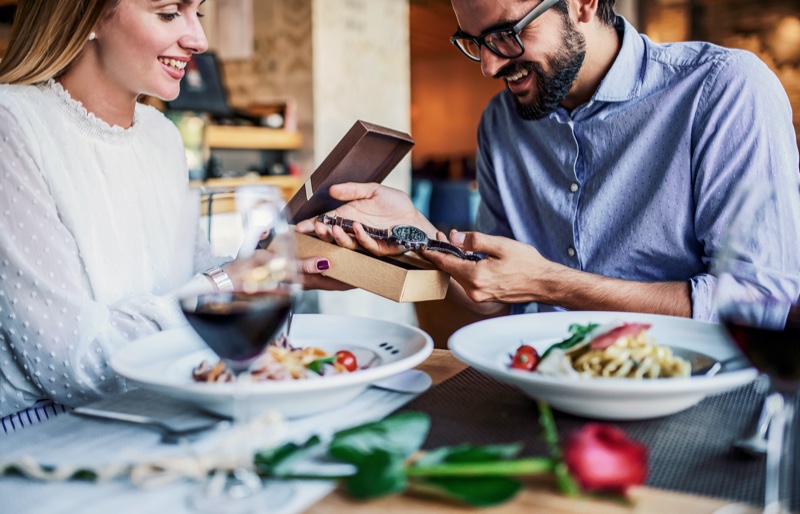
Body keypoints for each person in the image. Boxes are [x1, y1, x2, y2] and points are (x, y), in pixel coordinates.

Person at [298, 0, 800, 322]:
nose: (490, 65)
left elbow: (759, 304)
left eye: (506, 34)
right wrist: (417, 237)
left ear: (583, 4)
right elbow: (495, 296)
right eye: (474, 43)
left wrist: (549, 282)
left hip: (699, 405)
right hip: (534, 399)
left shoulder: (724, 89)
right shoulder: (501, 121)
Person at [0, 0, 331, 429]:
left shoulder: (162, 135)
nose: (199, 40)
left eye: (199, 14)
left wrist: (277, 267)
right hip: (46, 434)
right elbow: (73, 362)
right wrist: (227, 281)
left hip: (166, 407)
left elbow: (187, 278)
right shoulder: (13, 124)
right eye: (170, 13)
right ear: (88, 15)